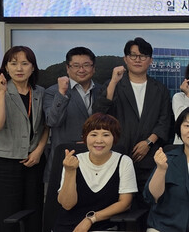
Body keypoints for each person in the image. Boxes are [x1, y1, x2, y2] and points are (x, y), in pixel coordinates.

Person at [93, 37, 173, 203]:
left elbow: (165, 121)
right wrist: (113, 82)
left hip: (149, 159)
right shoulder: (113, 84)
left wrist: (148, 142)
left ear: (150, 60)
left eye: (143, 56)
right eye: (133, 55)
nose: (138, 60)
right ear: (125, 58)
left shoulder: (160, 89)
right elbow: (100, 115)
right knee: (118, 205)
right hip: (117, 156)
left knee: (148, 204)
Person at [0, 46, 49, 232]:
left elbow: (46, 126)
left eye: (25, 63)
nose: (19, 68)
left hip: (33, 164)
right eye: (13, 64)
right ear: (6, 67)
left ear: (33, 67)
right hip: (3, 166)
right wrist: (2, 92)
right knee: (4, 222)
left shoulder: (40, 92)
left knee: (33, 220)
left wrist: (39, 151)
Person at [55, 113, 137, 232]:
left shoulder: (124, 162)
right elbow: (67, 205)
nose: (99, 140)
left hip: (105, 227)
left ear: (114, 138)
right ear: (85, 137)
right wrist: (70, 171)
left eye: (106, 135)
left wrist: (91, 219)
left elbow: (125, 203)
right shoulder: (73, 161)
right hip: (67, 227)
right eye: (93, 134)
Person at [44, 46, 100, 182]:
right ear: (67, 68)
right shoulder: (53, 92)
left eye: (86, 65)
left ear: (93, 68)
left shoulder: (102, 90)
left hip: (97, 162)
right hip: (64, 160)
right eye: (76, 66)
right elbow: (52, 121)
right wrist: (62, 93)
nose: (81, 70)